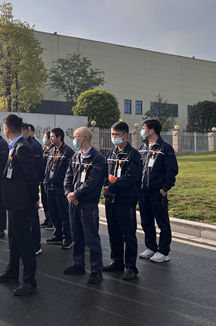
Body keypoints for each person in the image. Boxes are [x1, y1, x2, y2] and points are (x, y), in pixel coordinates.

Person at [0, 115, 39, 296]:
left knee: (24, 242)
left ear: (7, 129)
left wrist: (35, 199)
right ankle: (12, 272)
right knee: (13, 239)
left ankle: (30, 281)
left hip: (21, 203)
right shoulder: (15, 146)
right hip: (13, 202)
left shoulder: (22, 147)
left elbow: (31, 175)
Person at [63, 127, 106, 284]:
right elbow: (68, 176)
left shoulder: (97, 158)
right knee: (77, 235)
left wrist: (76, 194)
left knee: (91, 238)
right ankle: (78, 264)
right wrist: (69, 193)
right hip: (74, 202)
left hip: (88, 203)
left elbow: (92, 182)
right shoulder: (76, 155)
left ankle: (96, 270)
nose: (73, 139)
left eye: (75, 136)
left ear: (82, 138)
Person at [102, 121, 142, 281]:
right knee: (114, 232)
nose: (114, 137)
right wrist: (106, 187)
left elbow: (131, 177)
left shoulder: (133, 155)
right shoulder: (110, 154)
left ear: (125, 135)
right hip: (110, 199)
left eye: (117, 135)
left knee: (128, 234)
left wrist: (113, 188)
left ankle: (131, 266)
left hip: (125, 200)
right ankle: (117, 261)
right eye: (112, 134)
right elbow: (104, 173)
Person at [138, 119, 179, 263]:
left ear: (152, 130)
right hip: (143, 191)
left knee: (162, 222)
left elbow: (172, 170)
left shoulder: (165, 148)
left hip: (157, 191)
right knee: (146, 221)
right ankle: (151, 247)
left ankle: (163, 251)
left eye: (144, 128)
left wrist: (164, 188)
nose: (142, 131)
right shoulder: (143, 146)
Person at [43, 128, 75, 249]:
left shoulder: (68, 152)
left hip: (61, 188)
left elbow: (70, 172)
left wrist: (67, 188)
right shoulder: (52, 151)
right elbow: (47, 168)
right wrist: (46, 183)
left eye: (52, 137)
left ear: (59, 137)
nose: (50, 139)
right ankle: (58, 235)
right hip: (50, 187)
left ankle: (68, 238)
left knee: (63, 213)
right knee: (53, 212)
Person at [25, 123, 45, 255]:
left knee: (33, 217)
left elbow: (37, 167)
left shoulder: (34, 146)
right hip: (24, 186)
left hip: (31, 184)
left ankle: (36, 245)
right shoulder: (23, 144)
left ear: (30, 132)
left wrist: (38, 181)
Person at [40, 131, 54, 230]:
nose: (44, 139)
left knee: (50, 203)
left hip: (50, 180)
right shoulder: (45, 149)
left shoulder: (53, 150)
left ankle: (51, 221)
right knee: (44, 201)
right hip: (43, 179)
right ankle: (47, 218)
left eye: (46, 137)